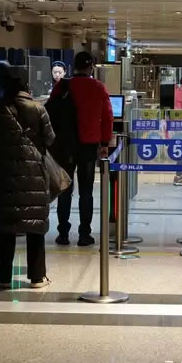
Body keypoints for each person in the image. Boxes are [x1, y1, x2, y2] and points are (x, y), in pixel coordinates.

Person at [0, 69, 55, 289]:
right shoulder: (38, 108)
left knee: (5, 227)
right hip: (33, 174)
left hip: (2, 173)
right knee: (35, 225)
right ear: (26, 85)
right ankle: (37, 277)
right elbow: (50, 139)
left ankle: (5, 278)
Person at [49, 51, 113, 246]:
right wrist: (104, 143)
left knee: (65, 190)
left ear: (73, 66)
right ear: (91, 67)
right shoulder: (98, 87)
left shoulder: (62, 86)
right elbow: (107, 117)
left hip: (65, 146)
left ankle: (63, 234)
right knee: (86, 192)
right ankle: (84, 234)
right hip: (88, 145)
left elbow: (50, 113)